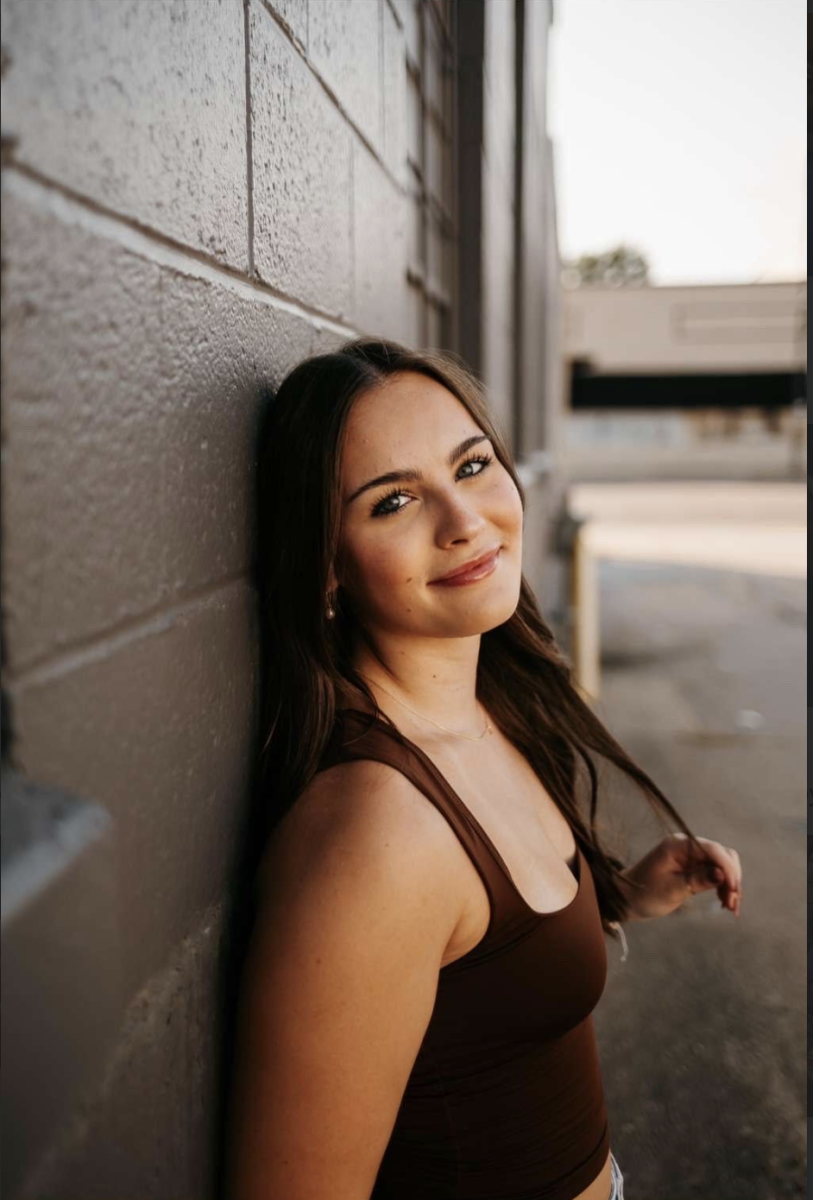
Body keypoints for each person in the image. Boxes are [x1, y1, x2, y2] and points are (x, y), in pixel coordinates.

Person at [226, 338, 743, 1200]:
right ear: (326, 564)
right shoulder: (376, 836)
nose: (463, 520)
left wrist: (616, 896)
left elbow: (474, 978)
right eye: (393, 501)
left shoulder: (488, 710)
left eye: (470, 466)